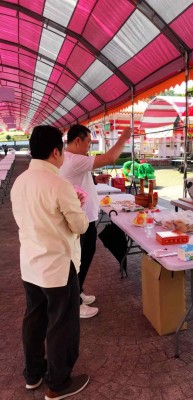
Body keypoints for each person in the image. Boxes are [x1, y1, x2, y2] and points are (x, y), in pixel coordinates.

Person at [11, 126, 90, 399]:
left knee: (34, 319)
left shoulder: (19, 182)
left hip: (30, 263)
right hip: (57, 266)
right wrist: (77, 205)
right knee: (61, 324)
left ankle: (33, 374)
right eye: (63, 151)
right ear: (56, 152)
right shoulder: (59, 185)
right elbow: (79, 226)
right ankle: (58, 383)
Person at [59, 124, 131, 318]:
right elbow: (110, 158)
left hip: (85, 218)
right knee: (78, 260)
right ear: (77, 141)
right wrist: (124, 138)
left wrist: (96, 180)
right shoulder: (75, 159)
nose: (89, 147)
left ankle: (78, 290)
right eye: (88, 142)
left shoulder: (72, 159)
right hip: (80, 220)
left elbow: (78, 180)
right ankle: (74, 302)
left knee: (84, 257)